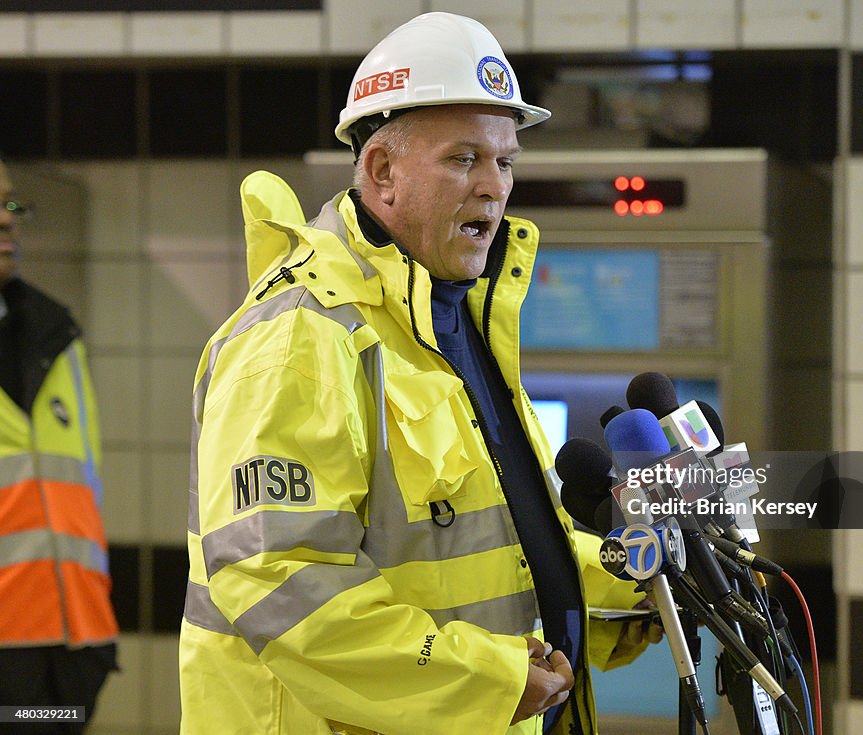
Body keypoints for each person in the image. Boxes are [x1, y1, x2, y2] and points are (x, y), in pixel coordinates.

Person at [179, 13, 656, 735]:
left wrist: (627, 584)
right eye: (465, 158)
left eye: (506, 161)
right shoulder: (303, 335)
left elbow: (493, 552)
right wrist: (486, 677)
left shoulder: (453, 320)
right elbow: (281, 578)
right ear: (382, 172)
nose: (495, 187)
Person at [0, 157, 119, 732]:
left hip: (67, 652)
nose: (7, 221)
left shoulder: (55, 333)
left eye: (11, 205)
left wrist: (90, 648)